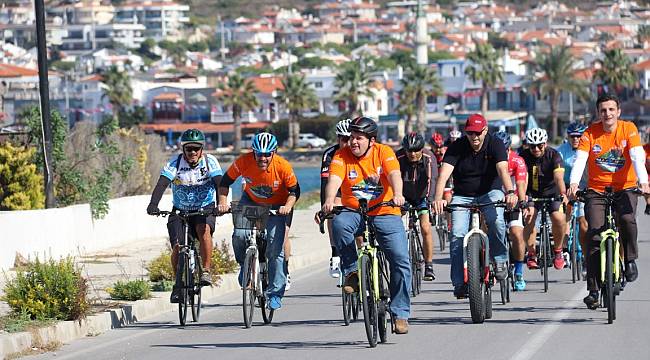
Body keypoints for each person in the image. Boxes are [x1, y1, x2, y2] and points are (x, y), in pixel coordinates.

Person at [318, 116, 411, 334]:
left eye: (359, 138)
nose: (353, 142)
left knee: (400, 259)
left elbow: (394, 174)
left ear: (371, 140)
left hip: (385, 210)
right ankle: (352, 271)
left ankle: (400, 312)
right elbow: (334, 180)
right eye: (351, 138)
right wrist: (329, 200)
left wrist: (398, 194)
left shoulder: (384, 152)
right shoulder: (341, 155)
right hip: (354, 211)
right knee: (339, 224)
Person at [567, 93, 650, 309]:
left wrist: (644, 182)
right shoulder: (590, 133)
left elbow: (637, 156)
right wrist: (574, 184)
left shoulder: (628, 129)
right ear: (598, 113)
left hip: (625, 188)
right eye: (603, 110)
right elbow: (580, 160)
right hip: (596, 190)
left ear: (618, 112)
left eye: (611, 109)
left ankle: (630, 260)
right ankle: (593, 290)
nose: (607, 114)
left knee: (627, 219)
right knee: (594, 235)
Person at [432, 114, 518, 298]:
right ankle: (458, 283)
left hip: (490, 192)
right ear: (466, 133)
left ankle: (500, 259)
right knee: (456, 234)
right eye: (471, 133)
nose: (475, 137)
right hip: (462, 196)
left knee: (496, 222)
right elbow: (443, 175)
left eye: (478, 133)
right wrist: (438, 198)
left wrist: (510, 192)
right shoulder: (457, 147)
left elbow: (503, 170)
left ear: (485, 130)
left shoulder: (495, 144)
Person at [217, 132, 300, 311]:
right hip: (251, 200)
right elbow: (224, 182)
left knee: (274, 248)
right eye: (259, 154)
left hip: (278, 204)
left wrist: (287, 206)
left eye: (267, 154)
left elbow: (295, 191)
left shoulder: (283, 166)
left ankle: (275, 293)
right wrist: (222, 202)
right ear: (253, 152)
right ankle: (244, 267)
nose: (263, 158)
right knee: (240, 234)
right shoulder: (243, 162)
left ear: (274, 152)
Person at [146, 129, 224, 303]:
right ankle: (178, 284)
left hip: (205, 208)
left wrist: (220, 204)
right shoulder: (174, 164)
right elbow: (161, 184)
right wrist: (153, 205)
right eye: (189, 149)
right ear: (183, 150)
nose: (193, 152)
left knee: (203, 230)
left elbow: (220, 183)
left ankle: (205, 270)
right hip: (180, 210)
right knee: (177, 247)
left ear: (202, 149)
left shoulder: (210, 162)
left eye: (196, 148)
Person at [520, 128, 568, 271]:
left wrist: (563, 193)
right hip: (532, 193)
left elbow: (559, 178)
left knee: (559, 218)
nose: (536, 149)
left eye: (539, 145)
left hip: (552, 192)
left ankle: (558, 251)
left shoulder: (554, 155)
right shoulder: (523, 156)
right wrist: (523, 199)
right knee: (529, 218)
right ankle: (532, 253)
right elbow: (521, 180)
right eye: (532, 146)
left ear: (545, 143)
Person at [397, 132, 438, 281]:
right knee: (396, 227)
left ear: (422, 149)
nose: (412, 154)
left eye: (416, 150)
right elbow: (391, 177)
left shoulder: (429, 158)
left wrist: (430, 200)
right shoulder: (398, 157)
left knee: (426, 228)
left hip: (422, 197)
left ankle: (428, 265)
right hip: (403, 196)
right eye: (409, 151)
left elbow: (432, 180)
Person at [494, 131, 529, 291]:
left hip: (513, 200)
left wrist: (522, 202)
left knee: (516, 234)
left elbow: (521, 184)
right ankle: (490, 263)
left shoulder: (517, 160)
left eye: (505, 149)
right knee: (489, 229)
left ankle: (519, 272)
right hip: (494, 201)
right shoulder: (489, 160)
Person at [319, 119, 352, 278]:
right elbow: (325, 184)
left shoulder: (359, 151)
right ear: (338, 139)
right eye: (343, 139)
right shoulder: (330, 154)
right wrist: (324, 209)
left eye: (350, 138)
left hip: (356, 190)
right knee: (332, 208)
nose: (347, 143)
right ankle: (335, 253)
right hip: (337, 189)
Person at [556, 123, 589, 266]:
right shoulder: (561, 151)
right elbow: (557, 174)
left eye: (579, 136)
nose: (575, 139)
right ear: (568, 137)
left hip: (583, 187)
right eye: (572, 136)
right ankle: (564, 248)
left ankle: (585, 252)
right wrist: (562, 192)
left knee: (583, 223)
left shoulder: (588, 149)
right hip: (566, 187)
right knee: (565, 215)